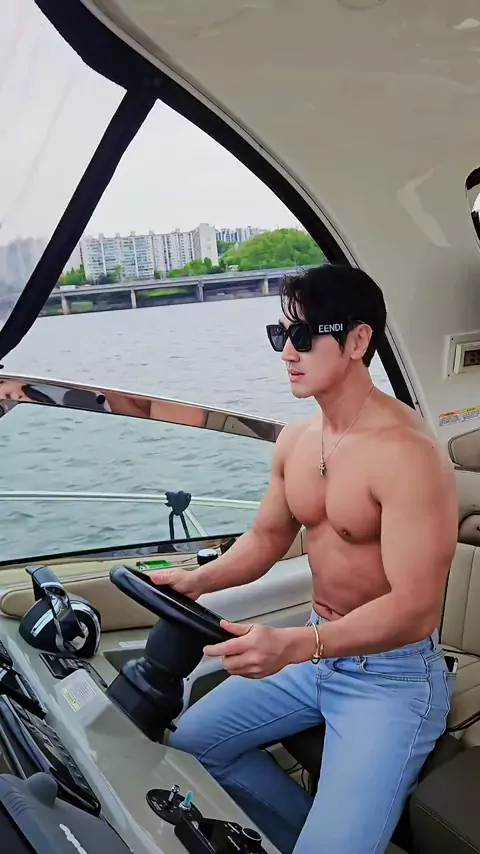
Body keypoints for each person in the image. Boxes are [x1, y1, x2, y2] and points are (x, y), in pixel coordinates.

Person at [152, 265, 458, 854]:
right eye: (280, 334)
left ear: (358, 340)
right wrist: (196, 580)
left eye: (304, 335)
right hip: (317, 656)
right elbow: (265, 540)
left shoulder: (407, 454)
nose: (287, 352)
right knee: (191, 745)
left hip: (391, 679)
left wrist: (296, 645)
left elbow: (416, 609)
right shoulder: (296, 440)